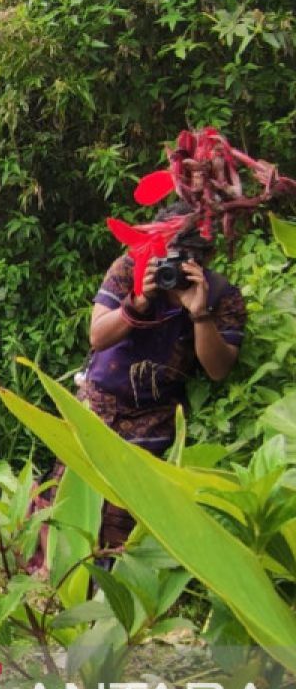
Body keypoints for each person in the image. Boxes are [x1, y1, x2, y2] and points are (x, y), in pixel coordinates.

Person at [80, 203, 244, 548]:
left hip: (154, 421)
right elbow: (97, 336)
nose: (176, 265)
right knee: (74, 509)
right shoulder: (130, 267)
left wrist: (200, 314)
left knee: (125, 527)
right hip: (97, 408)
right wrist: (136, 303)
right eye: (170, 253)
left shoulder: (221, 295)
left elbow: (217, 369)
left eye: (189, 257)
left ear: (208, 255)